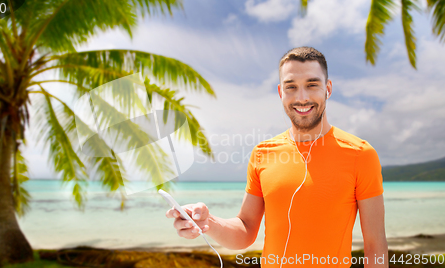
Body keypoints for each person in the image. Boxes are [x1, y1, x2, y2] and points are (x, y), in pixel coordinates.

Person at [165, 47, 388, 267]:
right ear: (281, 92)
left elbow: (375, 247)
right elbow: (245, 230)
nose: (302, 98)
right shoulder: (262, 153)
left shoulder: (360, 154)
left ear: (327, 89)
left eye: (312, 85)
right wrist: (207, 222)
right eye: (291, 87)